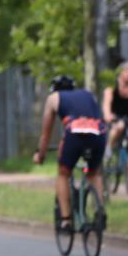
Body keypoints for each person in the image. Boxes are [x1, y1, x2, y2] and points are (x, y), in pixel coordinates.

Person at [33, 75, 107, 230]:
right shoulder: (87, 94)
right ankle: (100, 211)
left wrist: (41, 155)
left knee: (63, 174)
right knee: (93, 173)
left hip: (75, 133)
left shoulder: (53, 98)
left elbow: (46, 133)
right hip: (98, 132)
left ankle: (66, 220)